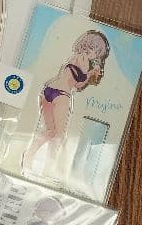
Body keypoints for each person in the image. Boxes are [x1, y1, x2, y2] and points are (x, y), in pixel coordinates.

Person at [23, 30, 109, 171]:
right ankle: (48, 167)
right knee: (59, 135)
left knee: (50, 131)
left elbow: (77, 82)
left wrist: (91, 73)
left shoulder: (74, 57)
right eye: (98, 53)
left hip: (48, 90)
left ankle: (28, 157)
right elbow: (80, 81)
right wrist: (93, 71)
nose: (97, 57)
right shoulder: (83, 60)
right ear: (95, 50)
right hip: (61, 95)